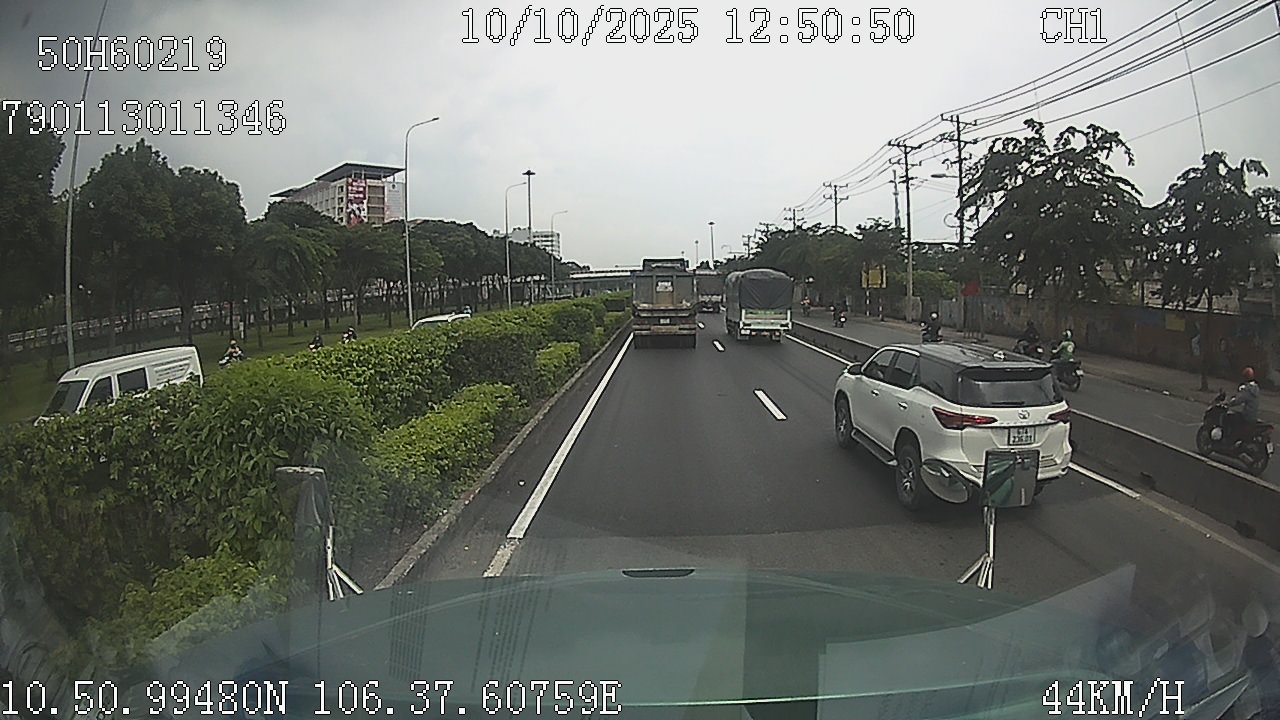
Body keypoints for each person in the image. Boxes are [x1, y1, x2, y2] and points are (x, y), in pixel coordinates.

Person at [1224, 366, 1261, 445]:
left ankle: (1231, 440)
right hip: (1253, 415)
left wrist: (1228, 403)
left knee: (1230, 418)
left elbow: (1239, 400)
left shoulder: (1248, 389)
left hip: (1246, 415)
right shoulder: (1255, 388)